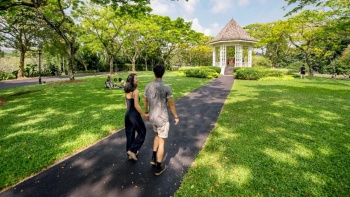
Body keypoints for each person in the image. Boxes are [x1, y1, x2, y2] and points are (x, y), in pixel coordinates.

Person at [144, 64, 179, 176]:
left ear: (154, 73)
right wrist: (176, 116)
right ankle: (158, 167)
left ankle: (153, 158)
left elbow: (145, 100)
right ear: (163, 73)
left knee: (157, 136)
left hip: (153, 117)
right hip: (162, 118)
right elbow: (171, 104)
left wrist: (146, 112)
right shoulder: (167, 87)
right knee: (162, 142)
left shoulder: (148, 86)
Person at [124, 73, 149, 161]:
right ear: (132, 81)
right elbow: (136, 105)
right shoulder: (136, 91)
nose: (137, 79)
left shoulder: (127, 90)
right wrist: (144, 114)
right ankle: (132, 150)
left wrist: (129, 113)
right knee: (142, 132)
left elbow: (126, 104)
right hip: (134, 115)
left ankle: (130, 153)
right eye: (136, 78)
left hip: (127, 114)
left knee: (130, 134)